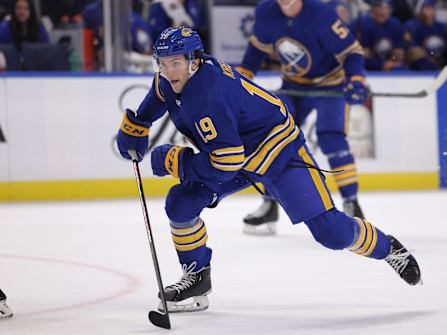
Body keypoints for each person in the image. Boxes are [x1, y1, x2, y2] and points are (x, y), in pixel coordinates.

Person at [115, 26, 422, 313]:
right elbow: (158, 96)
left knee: (330, 232)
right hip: (235, 154)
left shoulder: (210, 96)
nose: (168, 71)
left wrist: (177, 163)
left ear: (195, 61)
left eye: (176, 63)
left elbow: (225, 163)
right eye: (163, 63)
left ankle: (388, 247)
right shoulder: (172, 79)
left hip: (279, 153)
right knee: (181, 203)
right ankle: (197, 280)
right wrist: (137, 124)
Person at [236, 0, 367, 235]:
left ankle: (351, 203)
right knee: (272, 138)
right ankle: (270, 203)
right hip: (293, 86)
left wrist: (356, 79)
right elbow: (258, 48)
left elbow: (352, 52)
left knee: (331, 139)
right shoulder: (266, 12)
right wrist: (245, 72)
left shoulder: (321, 14)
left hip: (331, 86)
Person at [404, 0, 447, 70]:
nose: (428, 11)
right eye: (426, 8)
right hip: (423, 66)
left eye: (431, 7)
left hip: (442, 64)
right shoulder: (413, 27)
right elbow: (414, 52)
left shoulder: (442, 27)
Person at [351, 0, 406, 71]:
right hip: (367, 69)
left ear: (390, 9)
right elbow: (361, 55)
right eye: (379, 7)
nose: (382, 11)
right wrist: (381, 65)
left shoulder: (395, 25)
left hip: (391, 68)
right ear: (372, 8)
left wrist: (393, 61)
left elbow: (397, 54)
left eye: (386, 8)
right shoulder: (362, 24)